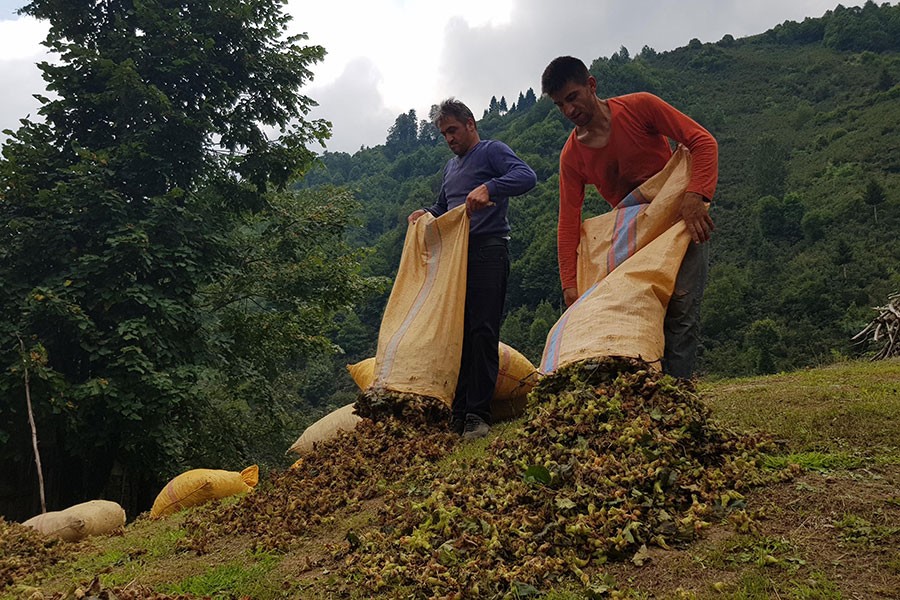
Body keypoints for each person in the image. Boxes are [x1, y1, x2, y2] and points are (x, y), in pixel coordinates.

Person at [541, 56, 718, 378]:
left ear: (591, 85)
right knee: (637, 311)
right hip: (632, 237)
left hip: (679, 221)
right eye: (559, 105)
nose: (568, 111)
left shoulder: (641, 107)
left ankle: (678, 394)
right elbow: (568, 221)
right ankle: (646, 389)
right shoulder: (572, 156)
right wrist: (569, 284)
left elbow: (702, 142)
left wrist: (696, 195)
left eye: (572, 98)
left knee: (682, 309)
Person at [407, 99, 536, 440]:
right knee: (458, 335)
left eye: (452, 130)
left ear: (470, 123)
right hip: (456, 257)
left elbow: (527, 176)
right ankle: (459, 412)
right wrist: (424, 213)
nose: (449, 138)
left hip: (488, 250)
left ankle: (478, 415)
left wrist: (490, 187)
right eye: (443, 133)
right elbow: (443, 205)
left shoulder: (492, 151)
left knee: (482, 332)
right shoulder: (451, 168)